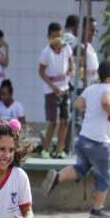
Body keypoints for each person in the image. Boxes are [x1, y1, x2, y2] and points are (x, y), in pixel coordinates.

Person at [42, 60, 110, 218]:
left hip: (84, 137)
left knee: (81, 168)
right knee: (105, 175)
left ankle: (58, 177)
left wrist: (90, 110)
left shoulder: (91, 88)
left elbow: (78, 103)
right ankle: (97, 210)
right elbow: (105, 101)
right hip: (99, 141)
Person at [39, 22, 74, 158]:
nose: (58, 39)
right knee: (53, 122)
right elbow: (41, 72)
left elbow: (72, 64)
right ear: (49, 37)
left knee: (65, 120)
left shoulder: (67, 48)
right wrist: (54, 87)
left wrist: (71, 71)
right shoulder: (46, 52)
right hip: (50, 89)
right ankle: (46, 149)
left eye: (60, 36)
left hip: (65, 88)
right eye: (54, 36)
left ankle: (60, 150)